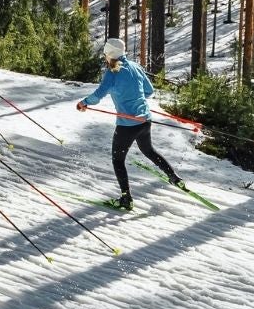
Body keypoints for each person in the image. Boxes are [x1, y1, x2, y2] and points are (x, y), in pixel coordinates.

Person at [76, 37, 183, 209]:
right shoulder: (135, 66)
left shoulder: (112, 73)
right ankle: (174, 177)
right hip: (145, 121)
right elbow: (149, 91)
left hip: (127, 125)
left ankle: (126, 198)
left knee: (118, 160)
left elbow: (98, 95)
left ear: (109, 55)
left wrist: (84, 103)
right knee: (149, 151)